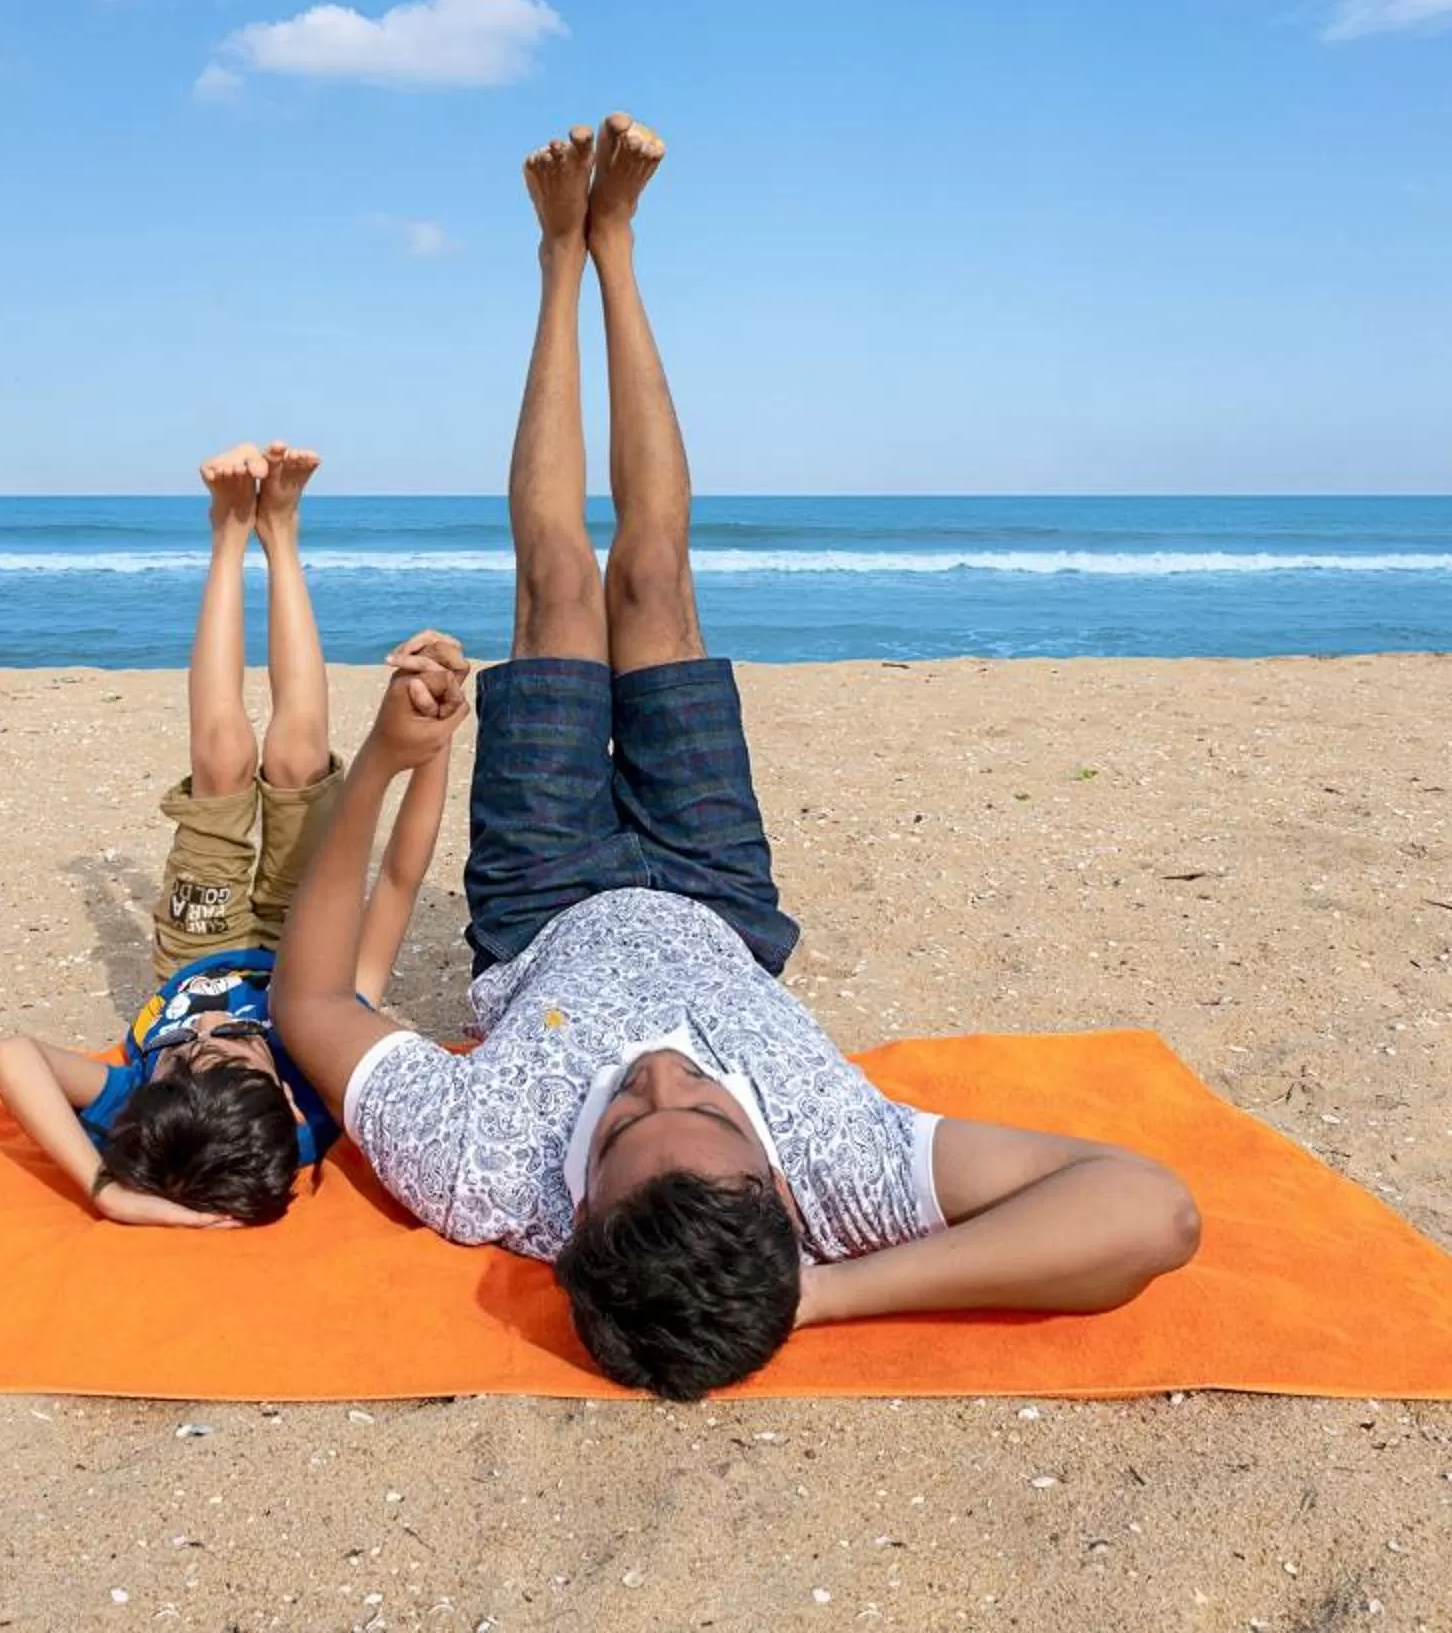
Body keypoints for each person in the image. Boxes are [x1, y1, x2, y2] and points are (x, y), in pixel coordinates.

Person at [273, 116, 1202, 1395]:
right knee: (651, 572)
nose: (660, 1073)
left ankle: (557, 257)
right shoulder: (839, 1172)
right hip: (716, 891)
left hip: (546, 902)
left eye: (619, 1125)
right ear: (776, 1182)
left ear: (573, 1219)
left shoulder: (483, 1170)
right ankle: (622, 248)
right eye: (702, 1113)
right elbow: (1151, 1212)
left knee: (558, 579)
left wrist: (379, 763)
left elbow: (314, 1004)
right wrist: (822, 1297)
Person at [0, 441, 447, 1228]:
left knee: (224, 758)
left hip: (198, 946)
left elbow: (11, 1058)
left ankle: (230, 534)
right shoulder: (314, 1085)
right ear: (286, 1103)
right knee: (297, 755)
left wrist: (107, 1190)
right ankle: (284, 533)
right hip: (311, 950)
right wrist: (436, 742)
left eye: (185, 1052)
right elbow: (399, 884)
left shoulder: (153, 1105)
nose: (201, 1030)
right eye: (231, 1044)